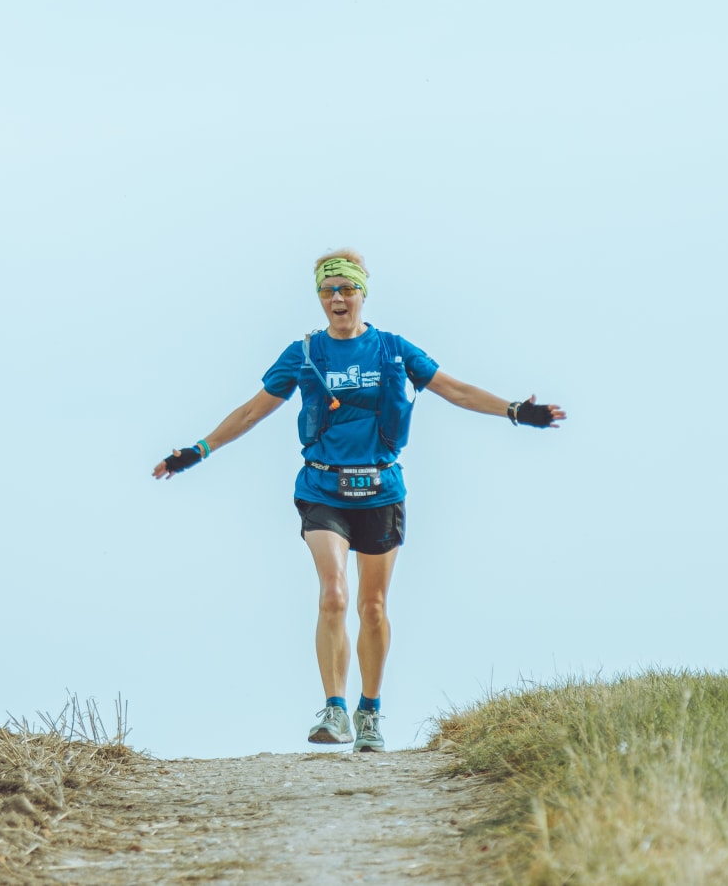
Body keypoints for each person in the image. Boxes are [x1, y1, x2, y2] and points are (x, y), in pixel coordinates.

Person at [151, 248, 565, 751]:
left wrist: (516, 411)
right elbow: (250, 411)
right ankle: (335, 709)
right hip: (322, 488)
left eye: (346, 288)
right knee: (334, 594)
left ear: (362, 293)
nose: (338, 298)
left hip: (381, 490)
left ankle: (370, 712)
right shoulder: (303, 355)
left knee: (372, 606)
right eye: (328, 290)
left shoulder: (393, 349)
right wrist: (199, 450)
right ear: (319, 298)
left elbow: (455, 390)